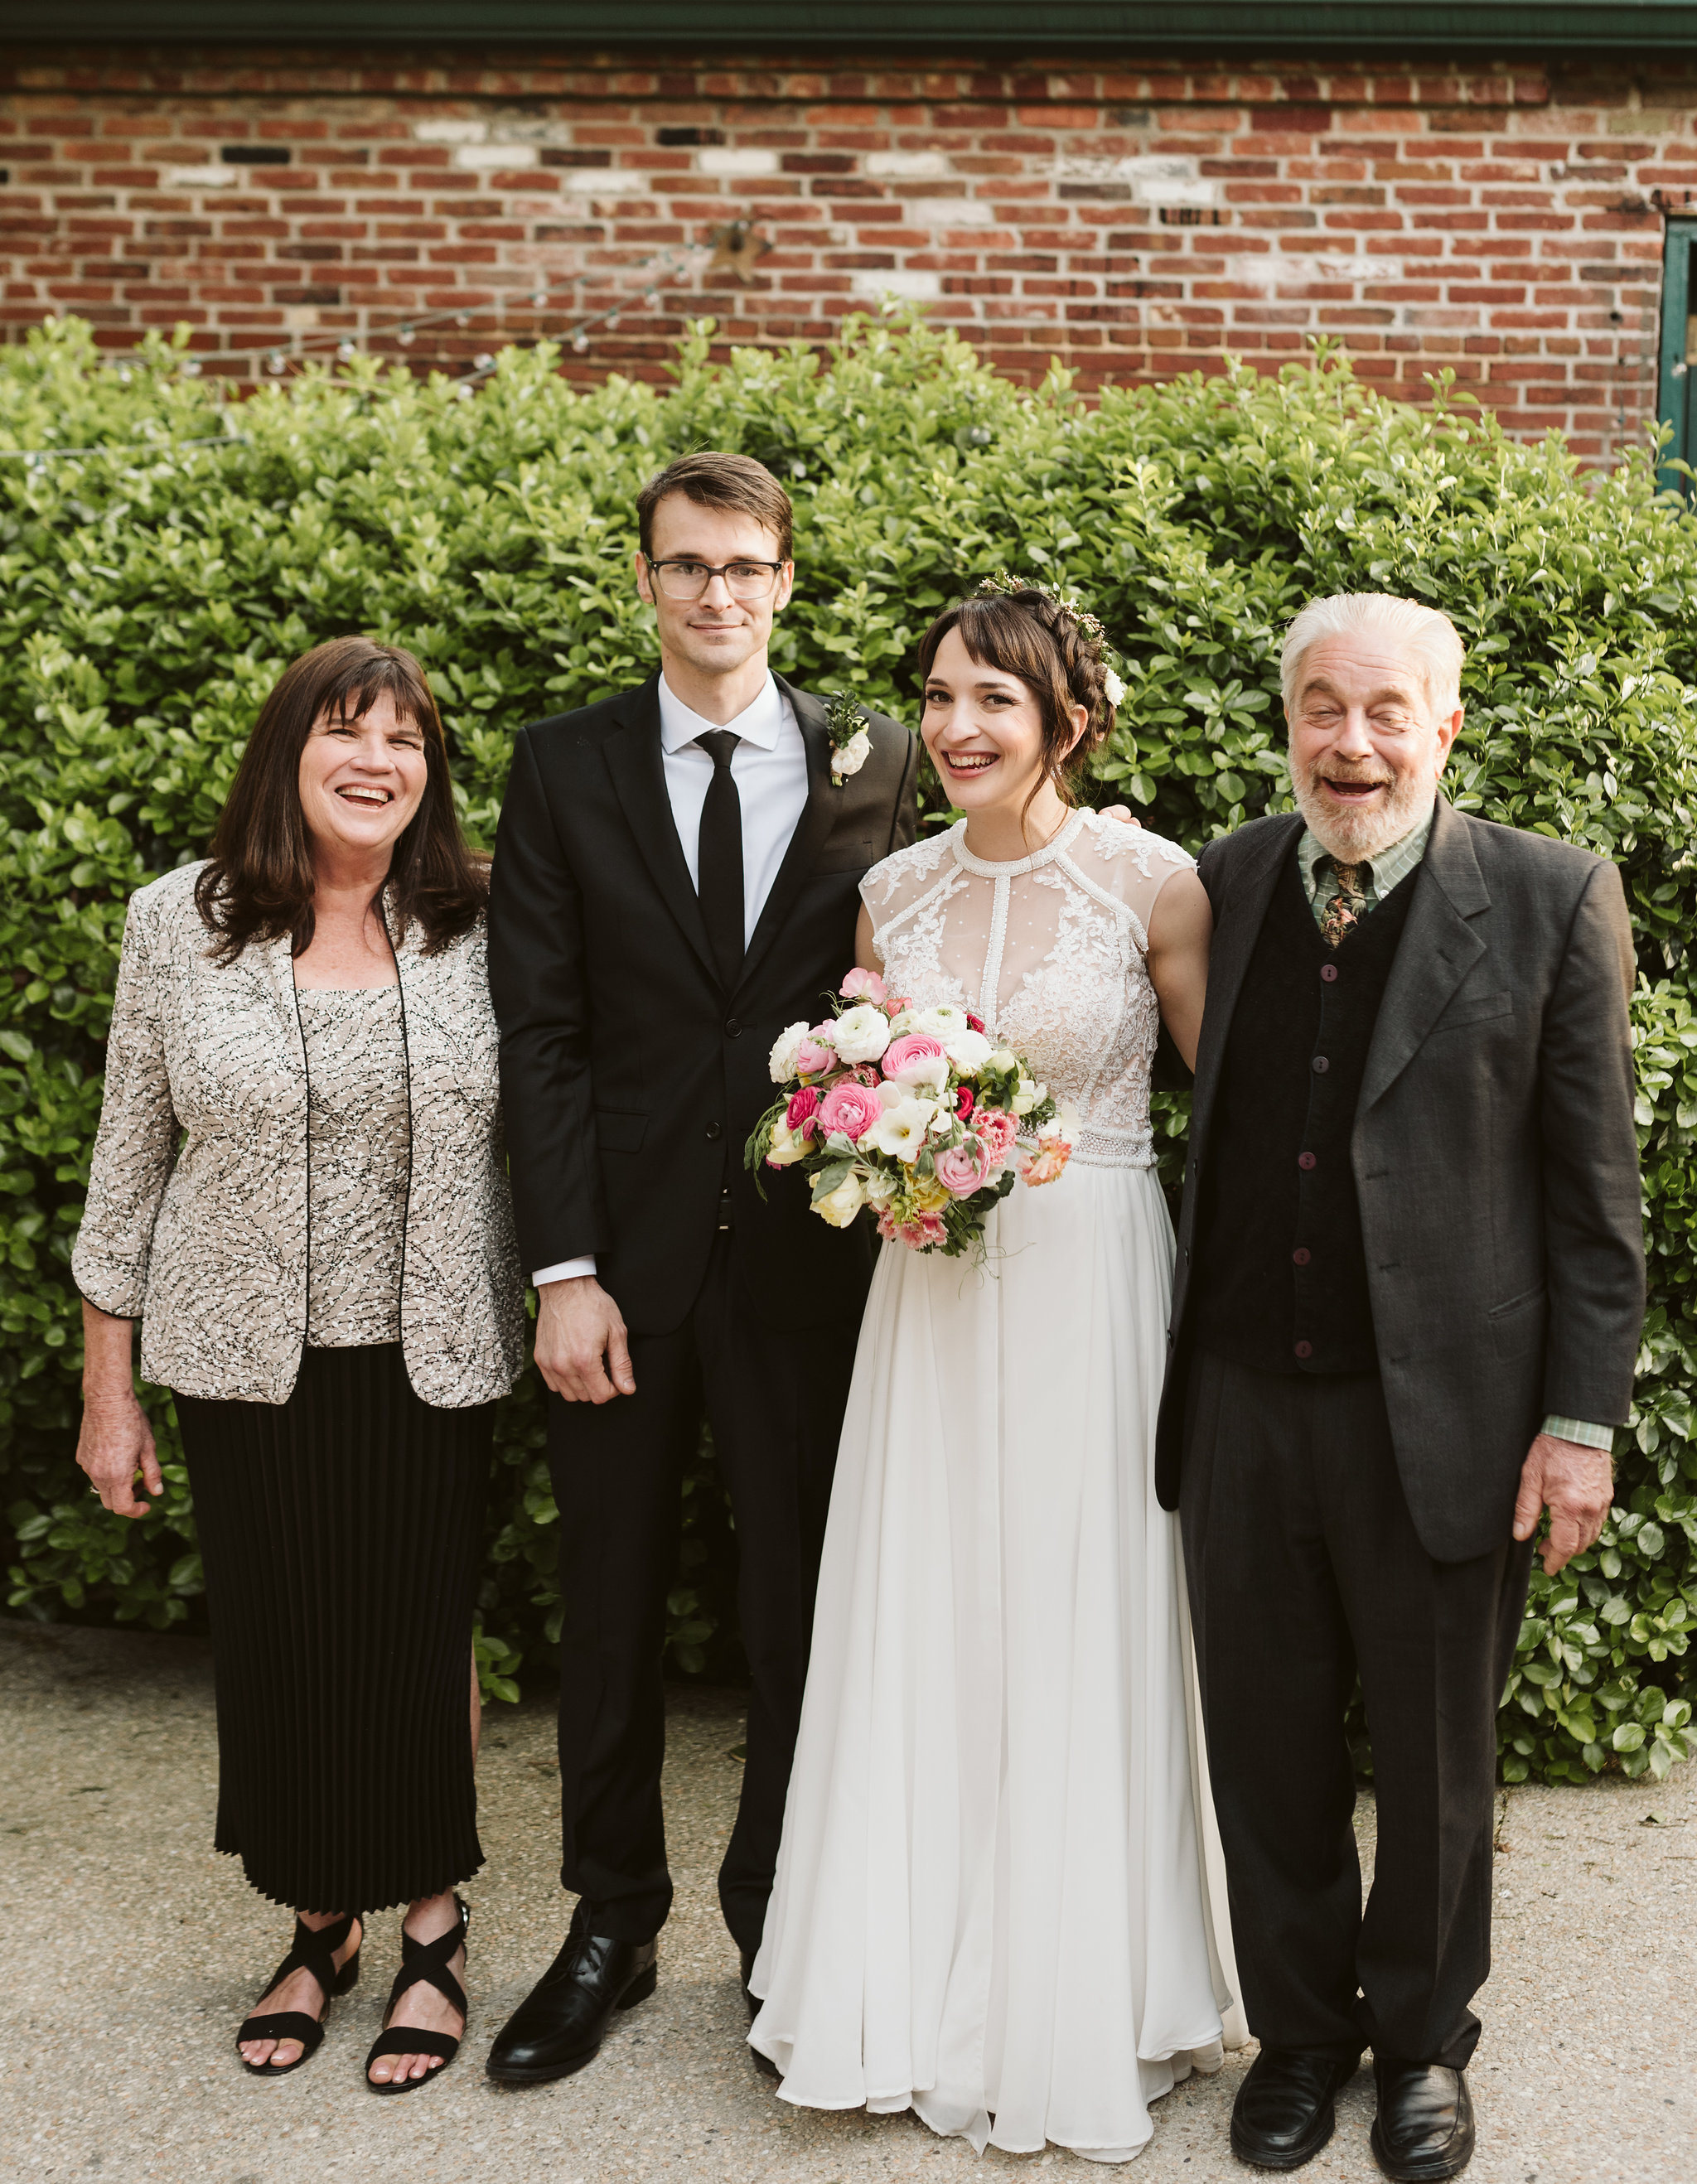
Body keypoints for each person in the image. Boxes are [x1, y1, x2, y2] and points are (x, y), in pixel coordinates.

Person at [748, 579, 1246, 2165]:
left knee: (1075, 1603)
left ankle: (1080, 1995)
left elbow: (1224, 1111)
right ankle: (899, 1977)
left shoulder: (1156, 885)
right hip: (932, 1290)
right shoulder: (887, 894)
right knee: (931, 1602)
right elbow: (864, 1078)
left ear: (1067, 722)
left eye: (998, 703)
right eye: (943, 695)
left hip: (1093, 1272)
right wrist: (868, 1133)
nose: (958, 727)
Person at [1157, 591, 1644, 2182]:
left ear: (1446, 721)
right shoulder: (1225, 880)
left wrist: (1579, 1426)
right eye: (1318, 708)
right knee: (1266, 1741)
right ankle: (1300, 2034)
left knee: (1439, 1761)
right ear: (1285, 719)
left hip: (1441, 1416)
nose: (1347, 746)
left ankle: (1425, 2040)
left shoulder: (1554, 897)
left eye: (1383, 713)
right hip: (1239, 1396)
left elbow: (1594, 1195)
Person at [483, 451, 919, 2087]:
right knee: (605, 1609)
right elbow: (542, 1032)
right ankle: (609, 1918)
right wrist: (565, 1268)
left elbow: (894, 982)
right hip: (621, 1270)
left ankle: (775, 1918)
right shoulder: (562, 767)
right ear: (647, 579)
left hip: (811, 1265)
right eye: (685, 566)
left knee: (797, 1606)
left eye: (744, 566)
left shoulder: (873, 760)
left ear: (785, 580)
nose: (715, 595)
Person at [72, 637, 525, 2095]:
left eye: (404, 739)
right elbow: (129, 1159)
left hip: (437, 1343)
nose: (376, 761)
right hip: (240, 1353)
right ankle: (319, 1923)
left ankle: (435, 1930)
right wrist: (109, 1385)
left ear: (429, 770)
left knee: (417, 1634)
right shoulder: (179, 924)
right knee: (282, 1639)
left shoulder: (491, 922)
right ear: (291, 751)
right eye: (346, 731)